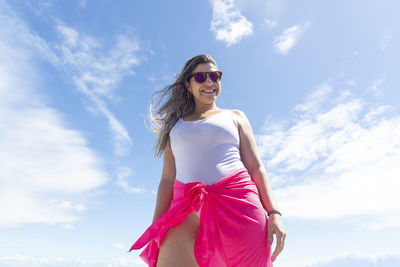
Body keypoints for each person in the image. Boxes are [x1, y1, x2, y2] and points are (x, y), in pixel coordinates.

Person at [129, 54, 286, 266]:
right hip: (185, 209)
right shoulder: (174, 127)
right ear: (188, 84)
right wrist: (156, 227)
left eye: (215, 76)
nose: (210, 82)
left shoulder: (236, 116)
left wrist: (274, 212)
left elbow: (256, 168)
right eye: (201, 77)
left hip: (239, 206)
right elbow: (167, 179)